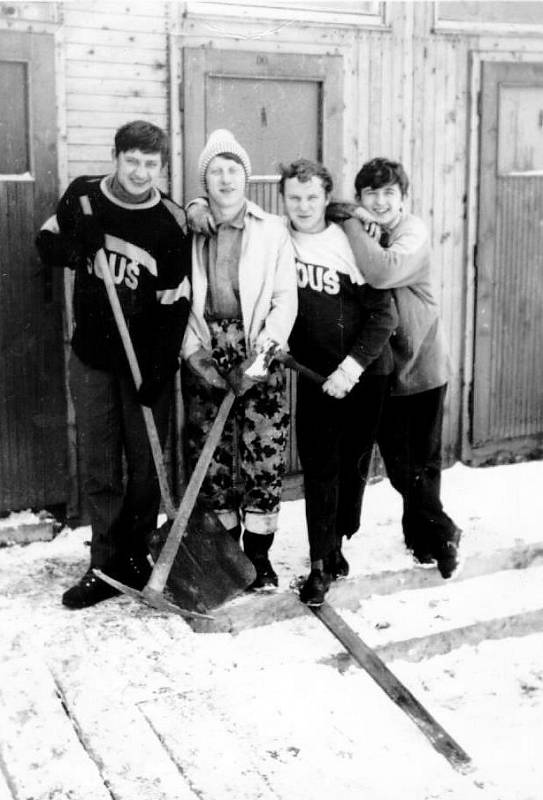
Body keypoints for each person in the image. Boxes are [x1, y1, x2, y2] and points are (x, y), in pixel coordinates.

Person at [35, 120, 192, 609]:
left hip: (146, 365)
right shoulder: (82, 197)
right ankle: (103, 564)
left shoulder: (170, 219)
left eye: (150, 164)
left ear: (161, 166)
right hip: (93, 358)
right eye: (132, 161)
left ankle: (136, 553)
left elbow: (176, 302)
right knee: (101, 464)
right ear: (116, 157)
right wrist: (80, 246)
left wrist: (160, 369)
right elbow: (46, 243)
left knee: (146, 467)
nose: (140, 171)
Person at [329, 157, 461, 579]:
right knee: (400, 462)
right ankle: (427, 532)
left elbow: (381, 270)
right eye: (372, 193)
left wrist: (350, 220)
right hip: (383, 365)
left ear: (403, 198)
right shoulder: (367, 226)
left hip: (420, 363)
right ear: (361, 196)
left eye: (390, 193)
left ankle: (435, 535)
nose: (381, 201)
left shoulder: (412, 232)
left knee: (421, 460)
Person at [182, 129, 297, 590]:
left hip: (258, 352)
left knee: (261, 454)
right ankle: (227, 557)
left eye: (233, 169)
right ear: (204, 180)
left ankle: (260, 557)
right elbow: (185, 300)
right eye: (216, 171)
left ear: (245, 178)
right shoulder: (190, 230)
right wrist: (195, 354)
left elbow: (284, 299)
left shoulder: (271, 230)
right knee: (214, 460)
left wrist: (261, 357)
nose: (226, 179)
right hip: (208, 349)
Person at [279, 159, 397, 606]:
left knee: (351, 468)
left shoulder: (349, 240)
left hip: (365, 371)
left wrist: (351, 370)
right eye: (294, 197)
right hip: (316, 375)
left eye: (312, 197)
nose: (303, 206)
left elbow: (385, 315)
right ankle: (320, 562)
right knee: (319, 467)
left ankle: (339, 542)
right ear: (284, 198)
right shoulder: (279, 239)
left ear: (327, 198)